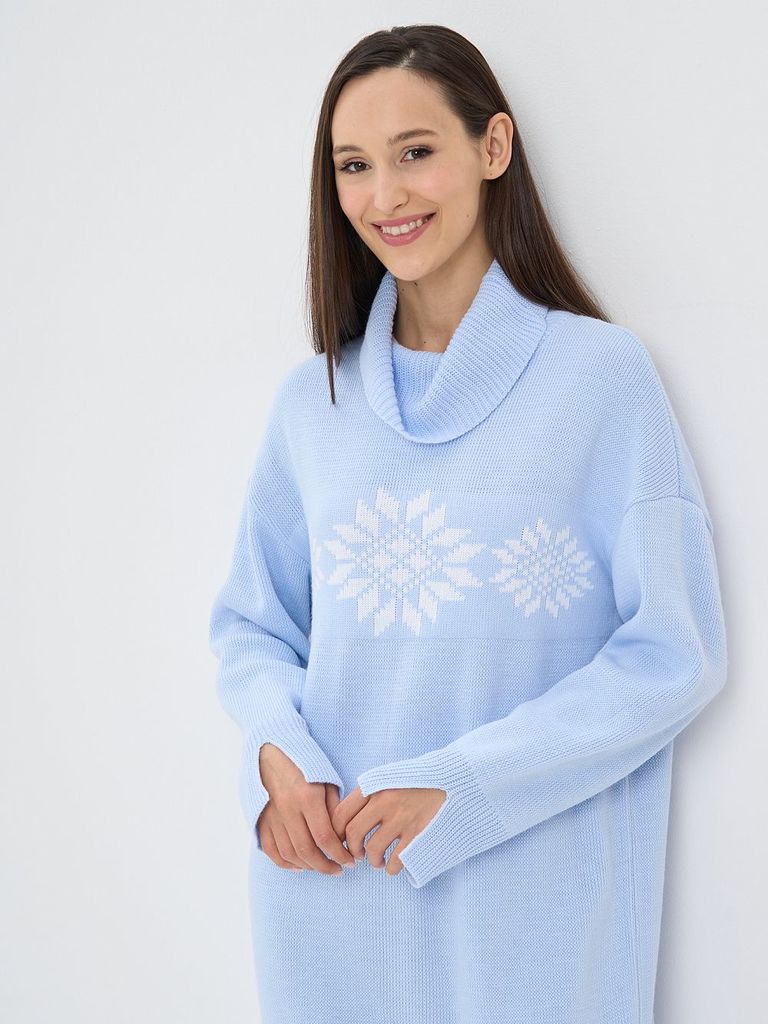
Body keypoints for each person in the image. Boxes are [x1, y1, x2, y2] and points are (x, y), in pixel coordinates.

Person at [208, 23, 727, 1024]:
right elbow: (251, 628)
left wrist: (468, 785)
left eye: (415, 152)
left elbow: (677, 650)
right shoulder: (312, 404)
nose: (385, 195)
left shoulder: (602, 381)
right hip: (333, 899)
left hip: (535, 912)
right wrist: (274, 751)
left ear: (493, 147)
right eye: (353, 166)